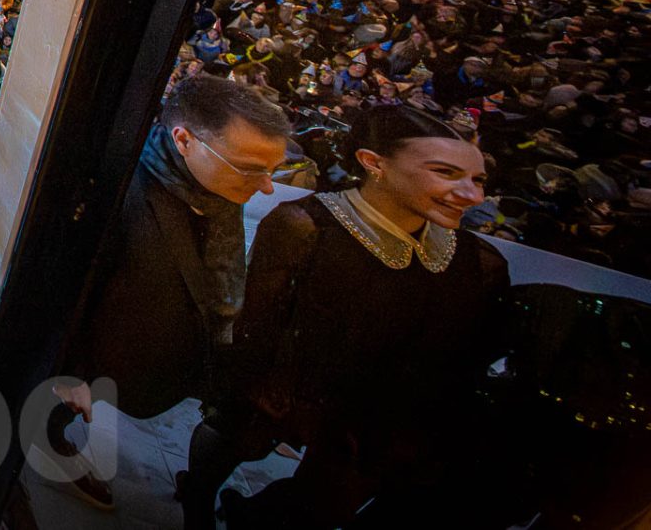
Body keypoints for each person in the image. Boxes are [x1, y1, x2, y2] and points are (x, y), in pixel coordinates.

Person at [180, 104, 511, 529]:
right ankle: (198, 499)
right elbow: (259, 322)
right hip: (291, 387)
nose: (474, 197)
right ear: (374, 163)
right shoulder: (305, 228)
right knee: (236, 433)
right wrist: (263, 386)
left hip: (374, 417)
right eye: (446, 173)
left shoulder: (479, 262)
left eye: (478, 179)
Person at [42, 75, 292, 509]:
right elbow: (72, 292)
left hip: (147, 363)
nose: (267, 186)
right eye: (251, 168)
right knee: (49, 411)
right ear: (184, 140)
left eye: (274, 170)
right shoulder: (118, 189)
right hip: (91, 357)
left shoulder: (216, 190)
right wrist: (70, 372)